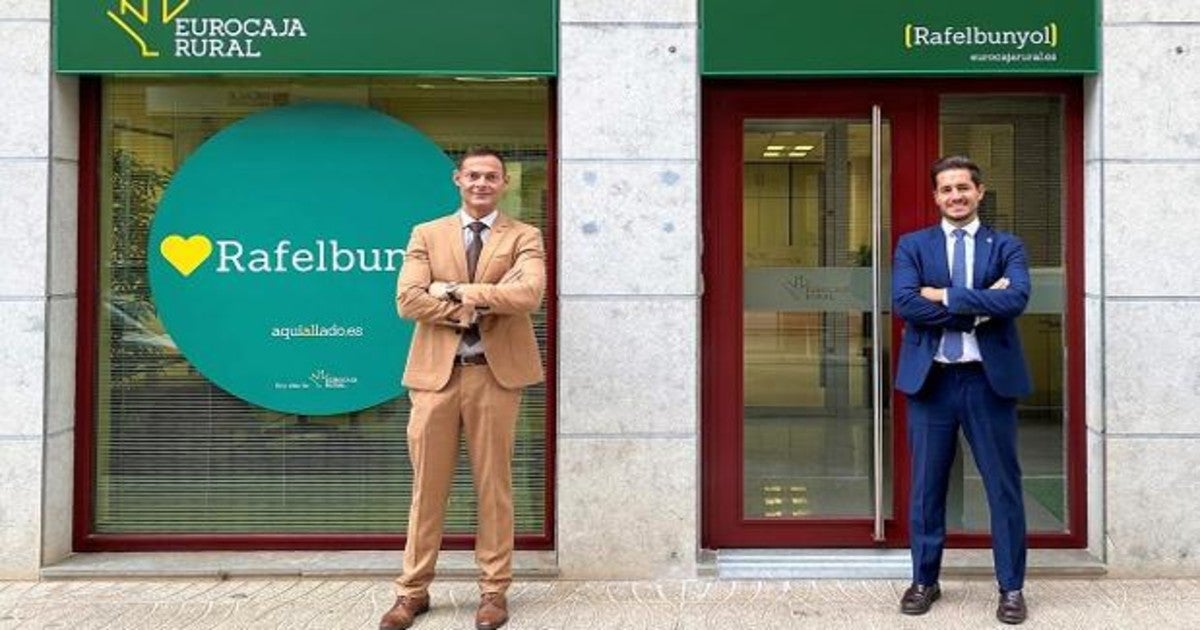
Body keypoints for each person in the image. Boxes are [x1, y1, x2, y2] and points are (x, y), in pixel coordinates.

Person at [379, 147, 545, 630]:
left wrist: (453, 291)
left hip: (495, 378)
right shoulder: (426, 234)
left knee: (494, 488)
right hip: (436, 379)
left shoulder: (525, 236)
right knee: (426, 489)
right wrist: (477, 303)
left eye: (491, 176)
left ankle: (493, 592)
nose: (481, 183)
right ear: (458, 179)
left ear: (504, 183)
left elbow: (528, 294)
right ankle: (412, 592)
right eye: (473, 175)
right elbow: (407, 300)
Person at [892, 155, 1032, 625]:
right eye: (946, 189)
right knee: (926, 489)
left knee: (1003, 489)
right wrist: (978, 305)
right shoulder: (913, 245)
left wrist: (945, 295)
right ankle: (924, 580)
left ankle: (1011, 588)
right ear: (936, 196)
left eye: (963, 188)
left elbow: (1016, 298)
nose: (955, 196)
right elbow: (906, 303)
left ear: (980, 192)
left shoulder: (1006, 245)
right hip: (931, 383)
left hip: (988, 384)